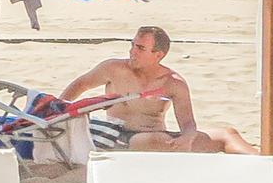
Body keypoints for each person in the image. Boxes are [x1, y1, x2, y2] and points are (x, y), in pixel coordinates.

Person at [60, 25, 258, 154]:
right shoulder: (113, 68)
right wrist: (56, 110)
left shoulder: (173, 83)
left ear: (158, 55)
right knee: (154, 140)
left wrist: (187, 137)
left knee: (227, 133)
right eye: (133, 45)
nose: (132, 52)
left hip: (156, 138)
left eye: (140, 48)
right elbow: (80, 84)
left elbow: (187, 122)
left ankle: (265, 163)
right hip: (118, 137)